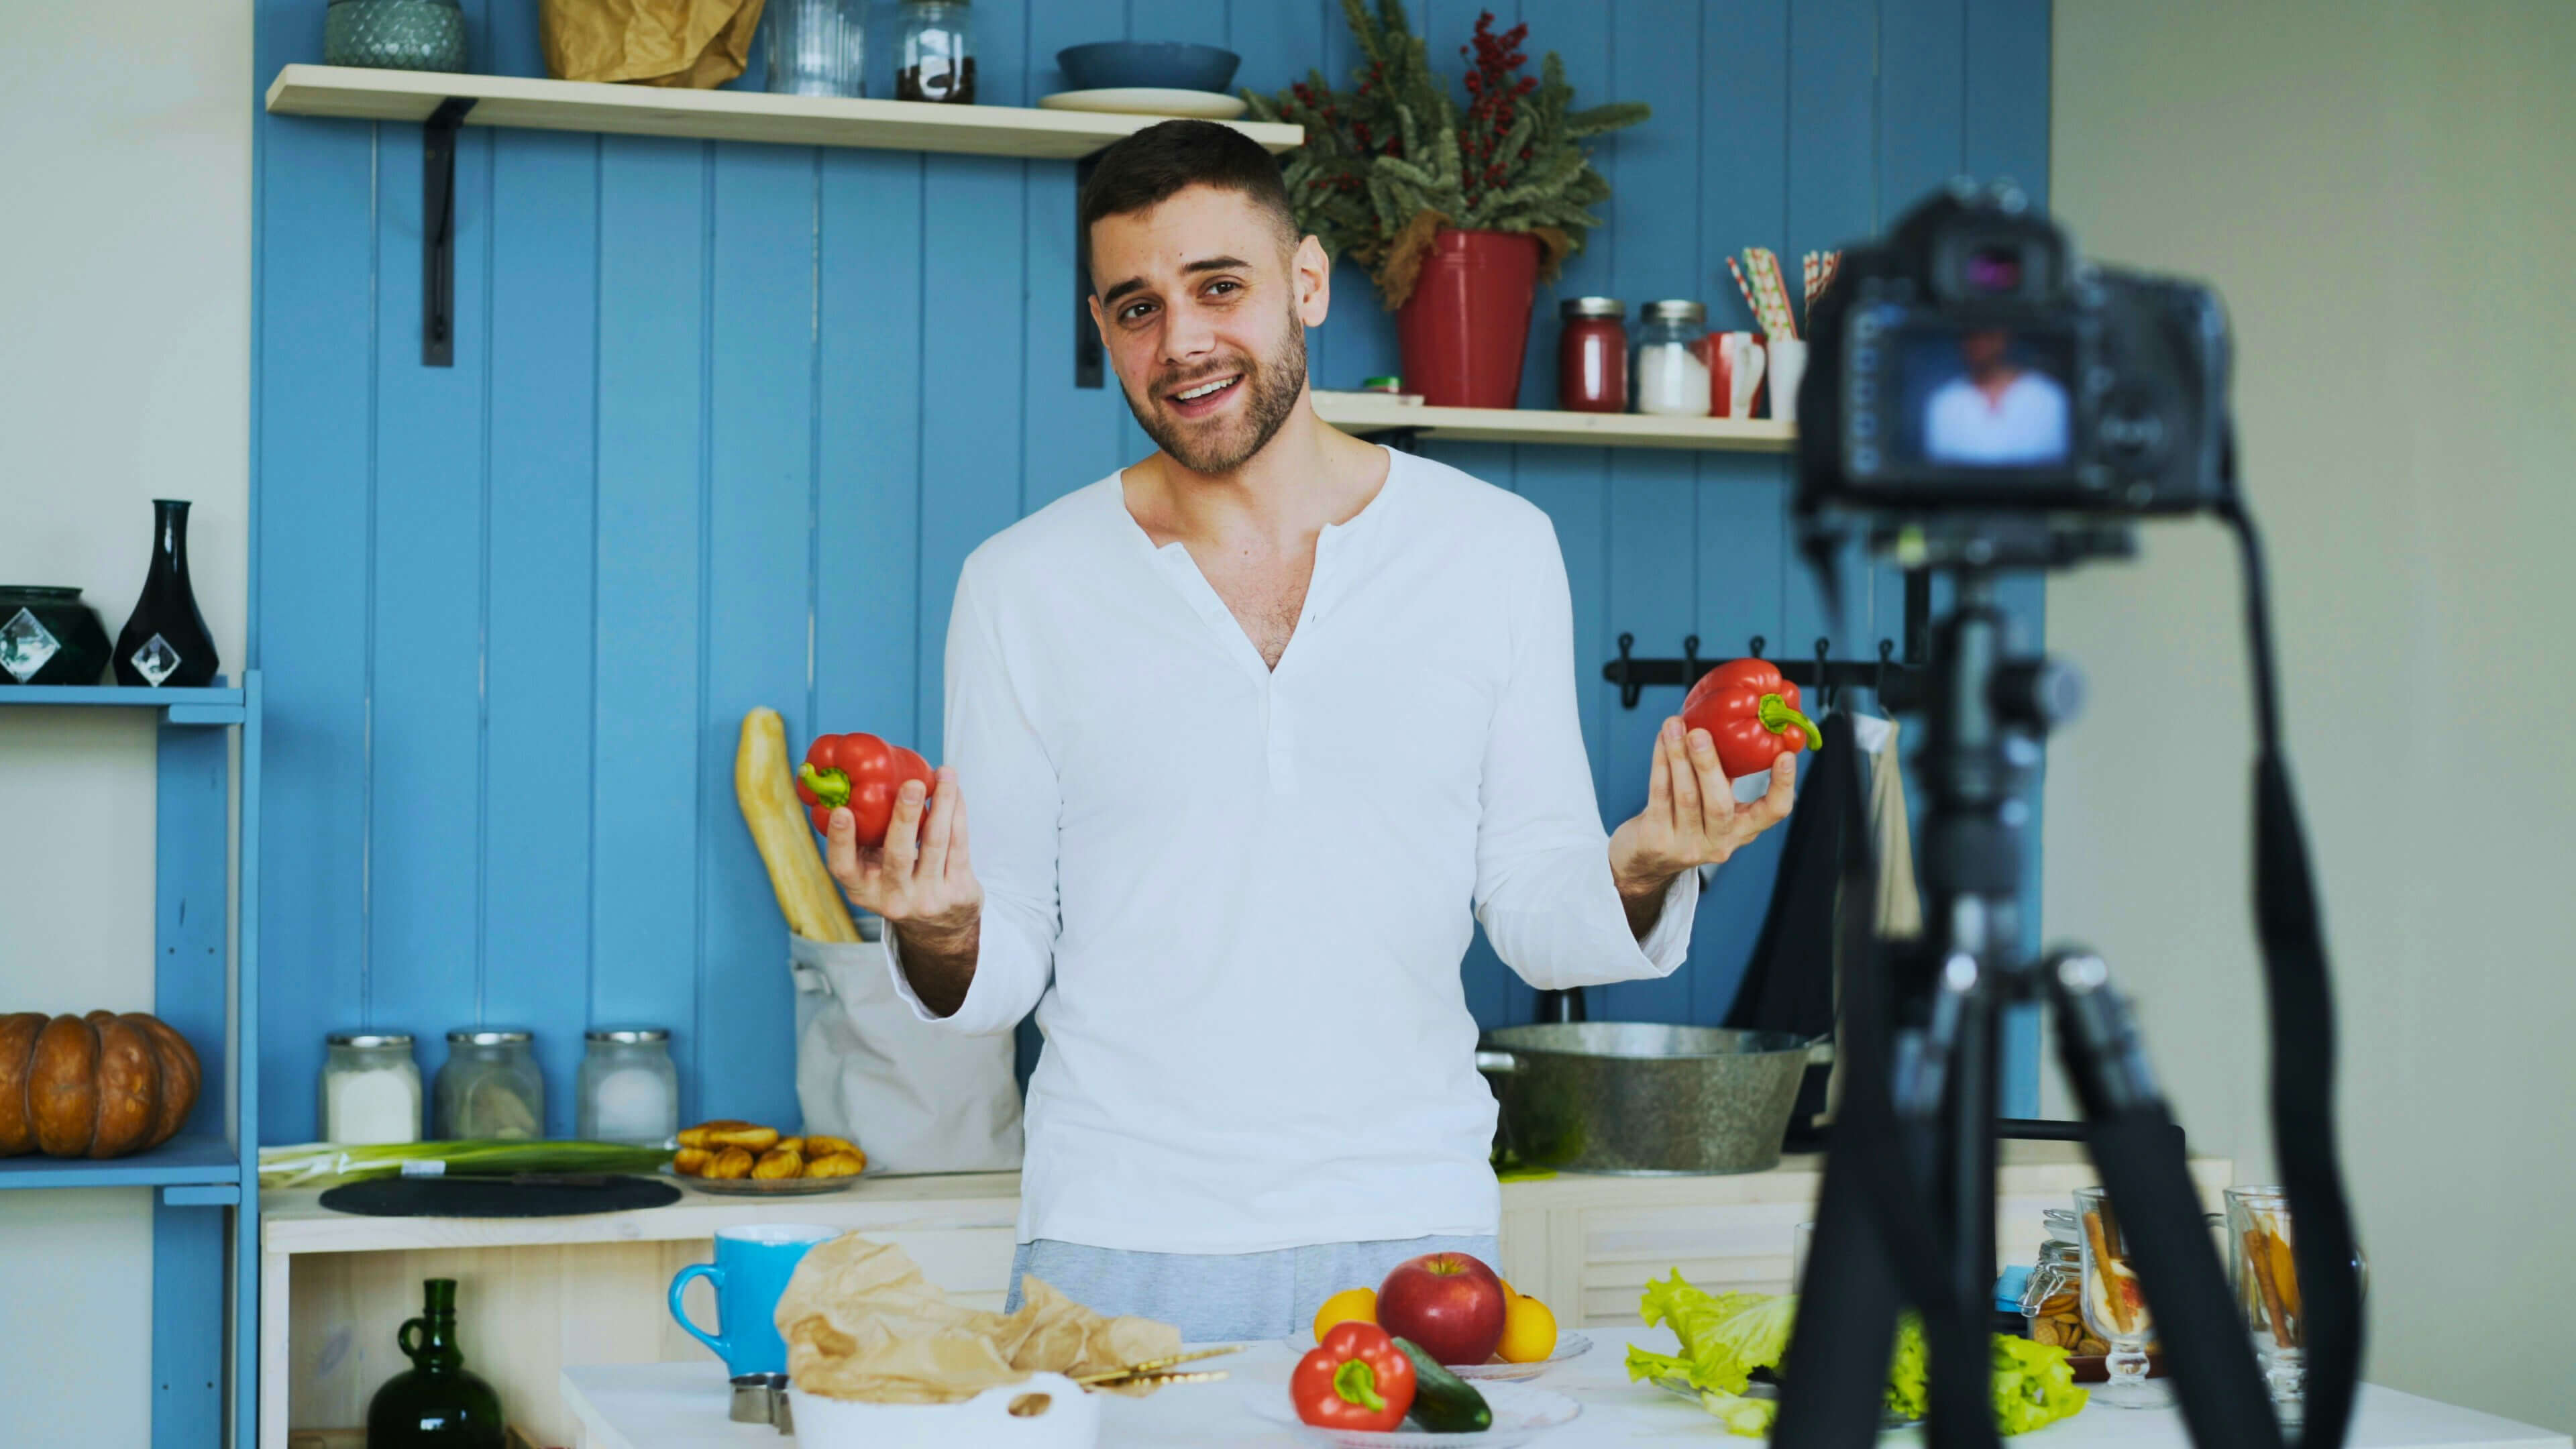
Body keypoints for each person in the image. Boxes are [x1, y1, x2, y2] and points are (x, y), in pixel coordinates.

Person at [820, 121, 1796, 1340]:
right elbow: (1000, 963)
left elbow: (1538, 915)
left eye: (1219, 287)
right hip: (1118, 1239)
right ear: (1103, 327)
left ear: (1309, 283)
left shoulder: (1491, 554)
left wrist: (1649, 858)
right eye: (1136, 308)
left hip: (1414, 1232)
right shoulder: (1021, 585)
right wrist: (943, 926)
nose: (1181, 343)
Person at [1923, 327, 2070, 464]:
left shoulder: (2047, 397)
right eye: (1972, 335)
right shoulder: (1945, 402)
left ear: (2005, 337)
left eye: (1988, 335)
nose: (1980, 343)